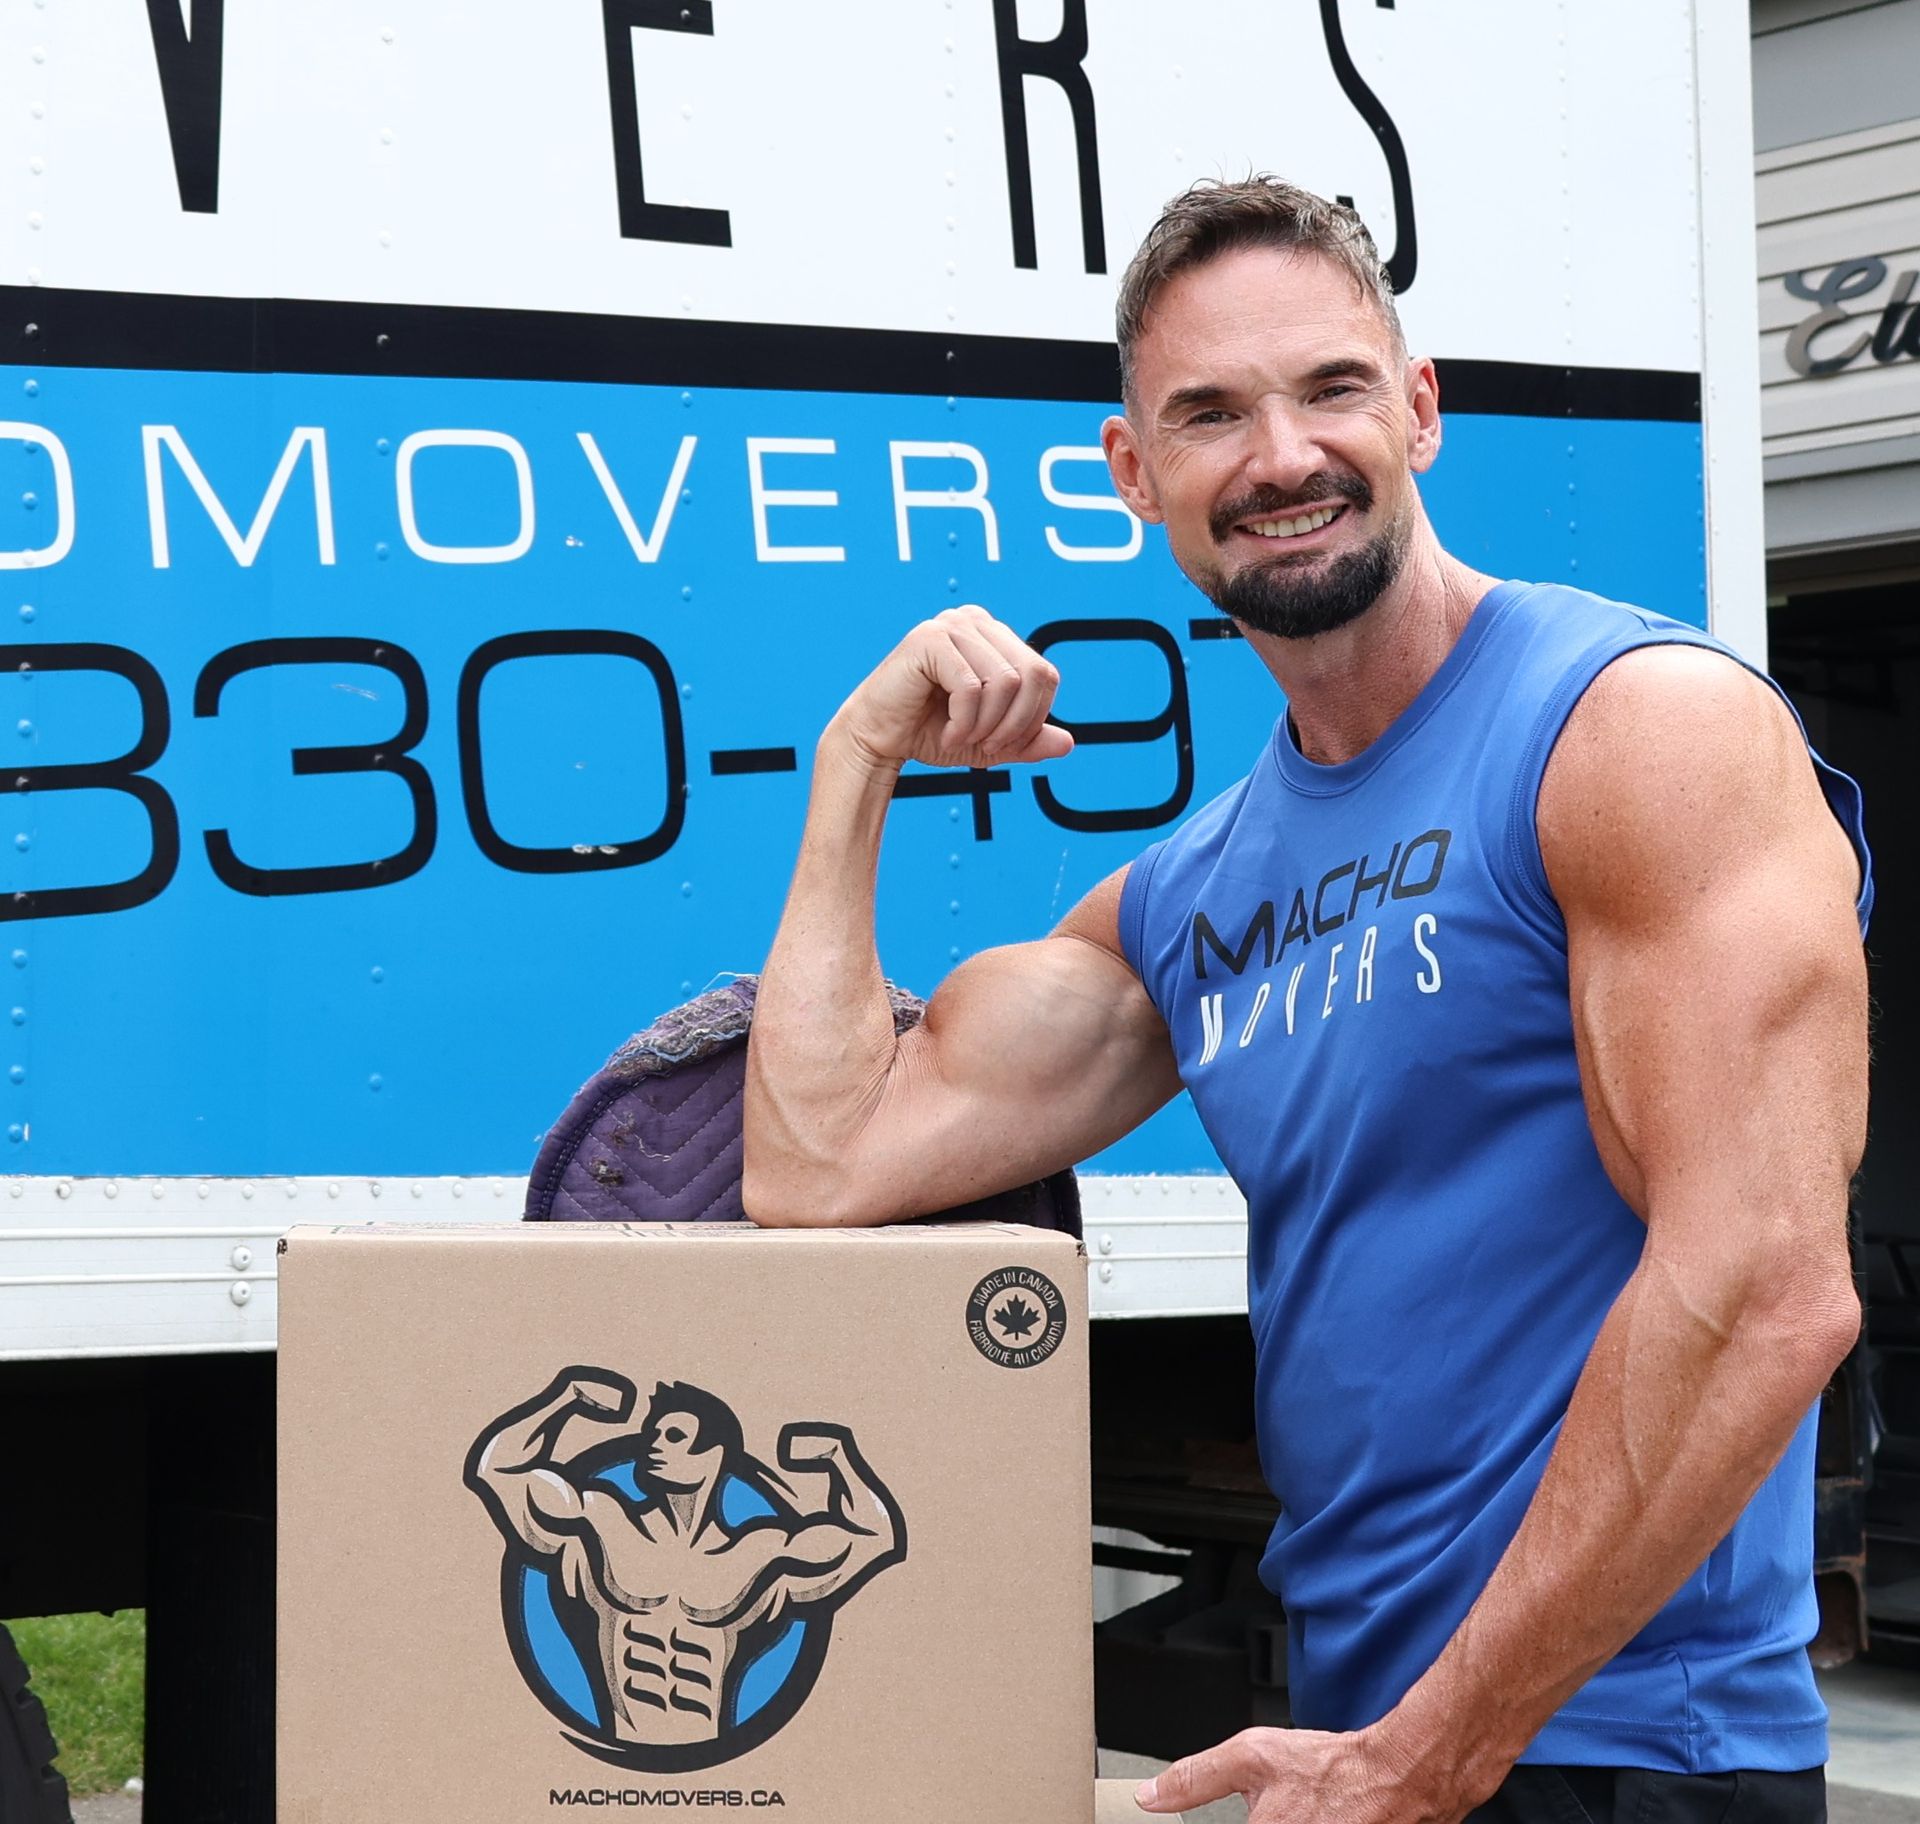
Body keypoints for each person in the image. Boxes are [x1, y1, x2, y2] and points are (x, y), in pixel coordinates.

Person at [741, 178, 1871, 1824]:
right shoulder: (1198, 890)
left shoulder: (1631, 733)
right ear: (1135, 474)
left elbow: (1770, 1288)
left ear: (1418, 412)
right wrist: (854, 761)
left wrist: (1442, 1740)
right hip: (1366, 1739)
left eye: (1331, 388)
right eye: (1209, 412)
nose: (1280, 456)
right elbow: (819, 1160)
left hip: (1621, 1746)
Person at [467, 1368, 904, 1745]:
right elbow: (498, 1469)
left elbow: (873, 1536)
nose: (655, 1445)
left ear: (715, 1454)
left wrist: (840, 1458)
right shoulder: (604, 1523)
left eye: (674, 1436)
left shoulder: (760, 1554)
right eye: (653, 1434)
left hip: (714, 1752)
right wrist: (564, 1398)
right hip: (619, 1745)